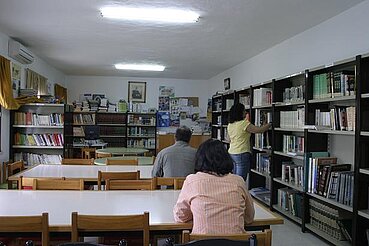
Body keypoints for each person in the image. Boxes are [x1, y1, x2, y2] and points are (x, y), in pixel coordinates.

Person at [173, 139, 254, 234]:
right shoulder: (238, 181)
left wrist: (198, 212)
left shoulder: (192, 181)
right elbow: (249, 217)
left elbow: (180, 216)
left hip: (202, 242)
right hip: (237, 242)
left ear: (199, 159)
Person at [228, 103, 271, 180]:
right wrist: (269, 124)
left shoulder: (230, 125)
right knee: (240, 181)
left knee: (234, 179)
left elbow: (229, 139)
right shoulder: (244, 123)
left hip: (232, 152)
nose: (246, 112)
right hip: (241, 152)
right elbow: (259, 130)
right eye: (244, 110)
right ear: (239, 112)